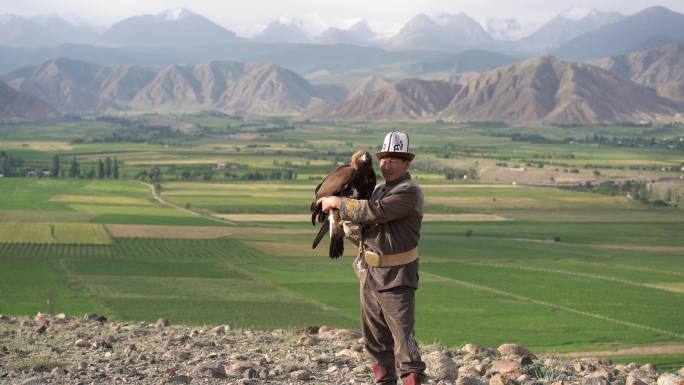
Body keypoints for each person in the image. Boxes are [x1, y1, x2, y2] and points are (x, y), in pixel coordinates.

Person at [317, 131, 426, 385]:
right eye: (384, 159)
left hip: (397, 278)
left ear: (407, 163)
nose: (387, 164)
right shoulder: (378, 190)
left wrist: (338, 202)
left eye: (394, 160)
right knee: (376, 344)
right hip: (370, 274)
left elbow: (374, 212)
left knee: (405, 345)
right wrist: (340, 224)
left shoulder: (409, 192)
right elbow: (366, 228)